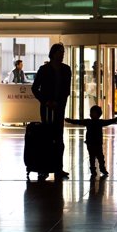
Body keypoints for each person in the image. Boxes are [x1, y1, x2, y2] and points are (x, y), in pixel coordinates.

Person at [31, 42, 72, 180]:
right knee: (47, 137)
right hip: (48, 107)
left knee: (59, 138)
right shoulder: (44, 69)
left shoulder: (66, 69)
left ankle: (58, 168)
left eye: (63, 52)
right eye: (60, 52)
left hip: (59, 108)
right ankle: (44, 168)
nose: (62, 55)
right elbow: (35, 88)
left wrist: (59, 103)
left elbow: (67, 90)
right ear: (53, 53)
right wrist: (47, 101)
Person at [65, 105, 117, 178]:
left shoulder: (94, 122)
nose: (91, 114)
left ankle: (100, 168)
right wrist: (70, 120)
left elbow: (110, 121)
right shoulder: (90, 122)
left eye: (93, 113)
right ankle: (95, 169)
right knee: (93, 157)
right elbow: (78, 121)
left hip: (96, 143)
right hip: (91, 143)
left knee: (100, 157)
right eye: (91, 112)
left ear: (98, 114)